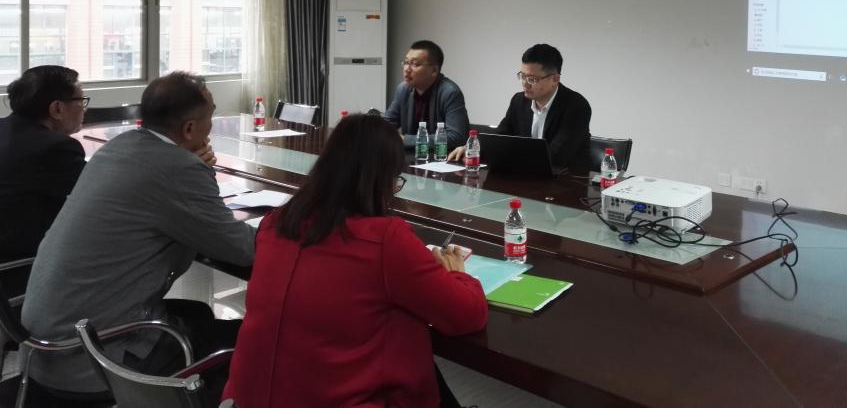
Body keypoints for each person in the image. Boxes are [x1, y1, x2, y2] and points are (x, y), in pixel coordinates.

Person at [222, 113, 487, 408]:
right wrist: (457, 274)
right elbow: (467, 315)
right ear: (380, 181)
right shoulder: (385, 239)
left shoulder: (275, 223)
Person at [21, 71, 255, 402]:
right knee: (249, 341)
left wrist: (189, 163)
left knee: (198, 314)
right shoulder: (179, 169)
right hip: (92, 361)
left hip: (45, 345)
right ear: (190, 129)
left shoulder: (120, 146)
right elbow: (244, 249)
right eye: (210, 116)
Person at [0, 66, 87, 283]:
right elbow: (94, 199)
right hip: (21, 267)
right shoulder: (57, 148)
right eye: (81, 101)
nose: (84, 109)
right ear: (57, 108)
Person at [449, 44, 592, 173]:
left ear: (555, 79)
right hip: (524, 176)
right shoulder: (519, 101)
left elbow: (556, 157)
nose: (525, 84)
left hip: (566, 183)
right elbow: (500, 136)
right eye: (522, 76)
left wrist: (511, 156)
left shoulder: (576, 106)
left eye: (532, 79)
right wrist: (473, 148)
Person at [384, 39, 469, 151]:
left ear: (434, 70)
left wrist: (405, 140)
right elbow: (385, 125)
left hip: (440, 158)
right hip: (410, 157)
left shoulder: (450, 92)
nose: (407, 69)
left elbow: (456, 137)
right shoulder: (403, 89)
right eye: (406, 62)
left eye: (415, 64)